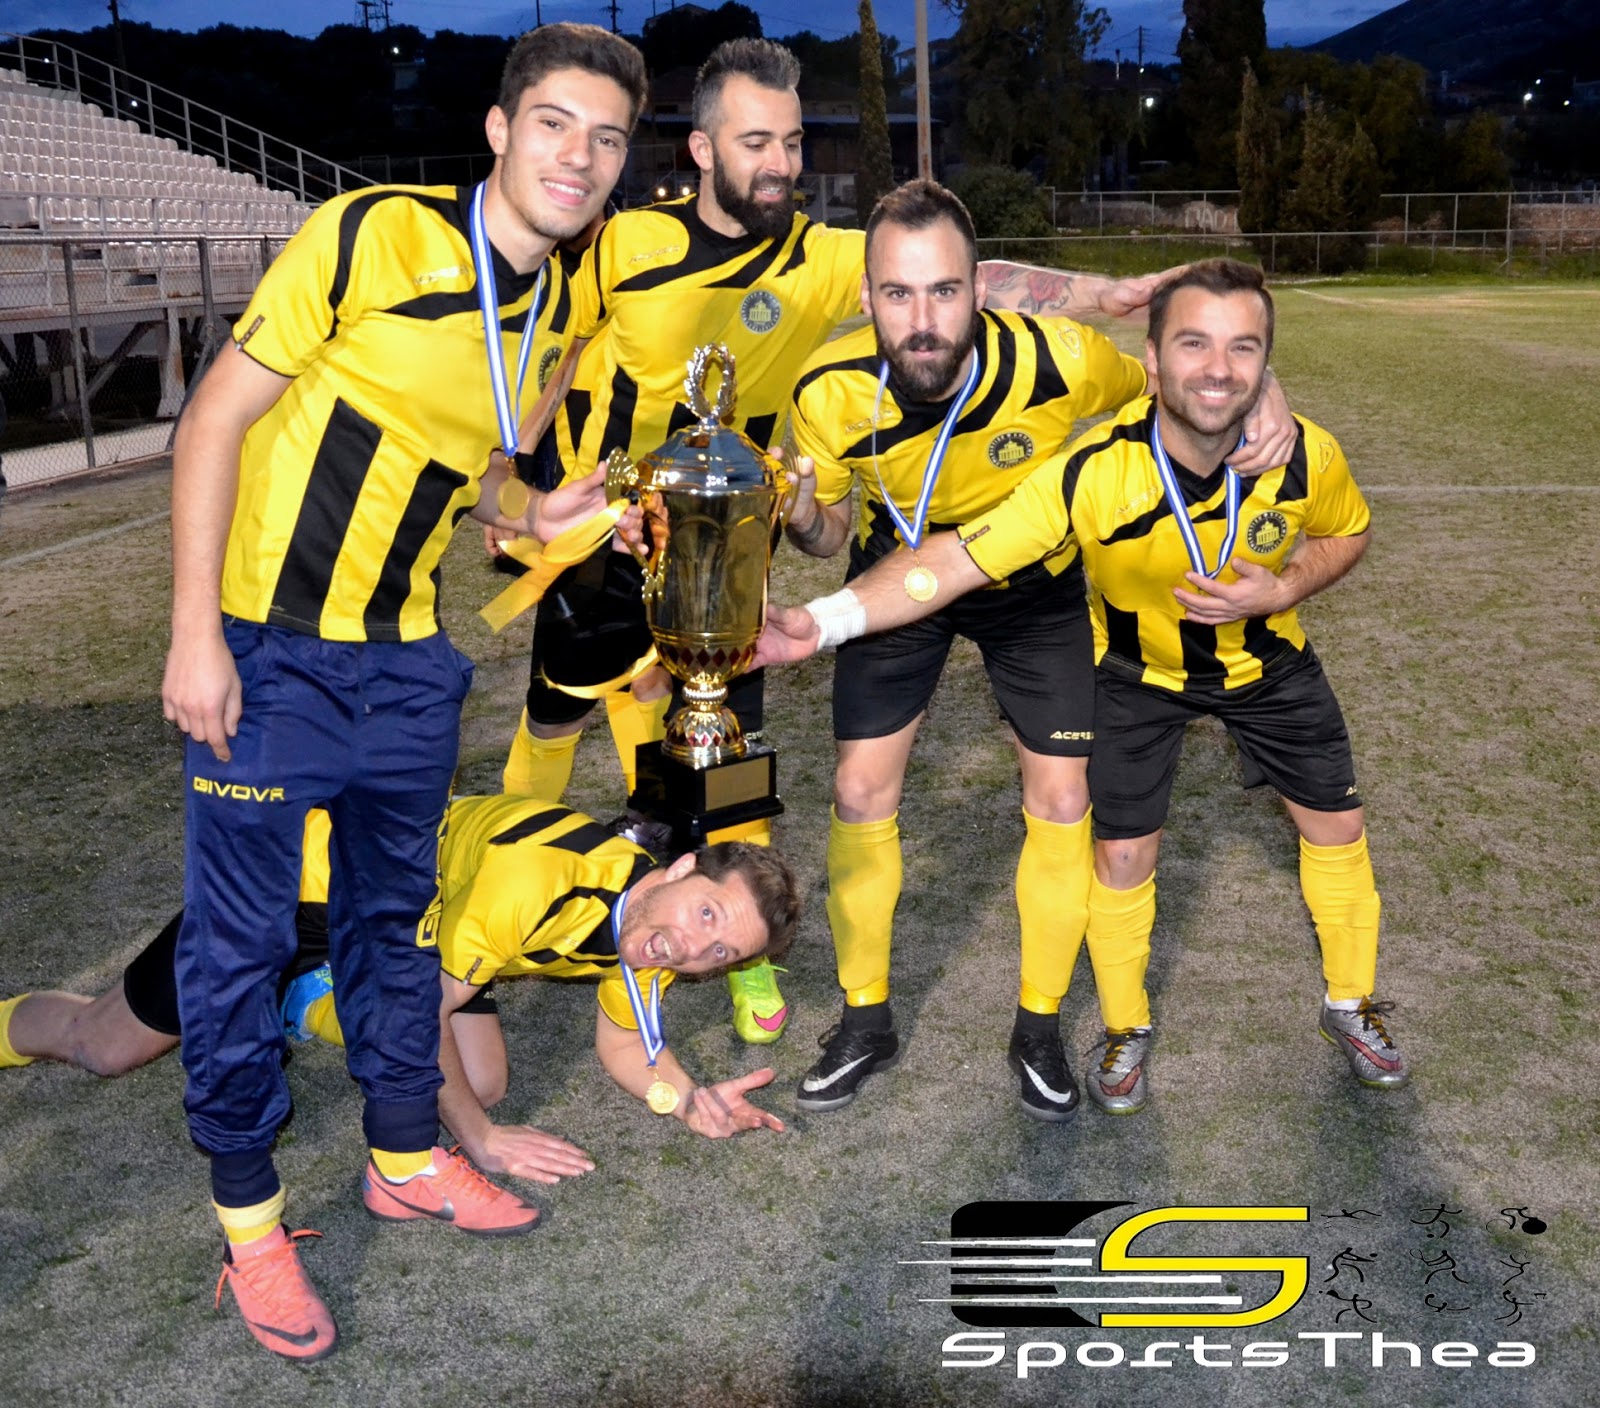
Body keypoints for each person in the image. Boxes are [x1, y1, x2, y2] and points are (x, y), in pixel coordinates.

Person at [498, 37, 1211, 1047]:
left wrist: (1102, 295)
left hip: (721, 548)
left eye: (792, 142)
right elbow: (552, 357)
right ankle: (505, 899)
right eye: (756, 142)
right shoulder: (621, 245)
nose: (781, 163)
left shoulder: (825, 257)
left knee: (726, 750)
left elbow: (971, 277)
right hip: (598, 537)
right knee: (555, 719)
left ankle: (740, 949)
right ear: (701, 149)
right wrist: (516, 486)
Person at [155, 24, 648, 1362]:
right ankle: (252, 1225)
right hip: (271, 650)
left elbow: (475, 474)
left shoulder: (558, 302)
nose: (579, 156)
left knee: (395, 929)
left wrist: (538, 508)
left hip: (409, 660)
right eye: (554, 123)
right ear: (499, 129)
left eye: (606, 137)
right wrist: (196, 637)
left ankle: (405, 1156)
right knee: (242, 949)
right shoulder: (372, 233)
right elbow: (213, 420)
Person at [755, 258, 1407, 1114]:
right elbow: (954, 559)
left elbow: (1347, 531)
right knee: (1117, 854)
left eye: (1244, 349)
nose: (1218, 368)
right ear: (1153, 358)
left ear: (1266, 362)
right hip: (1132, 675)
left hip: (1269, 666)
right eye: (1195, 345)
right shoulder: (1091, 472)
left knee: (1337, 828)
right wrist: (823, 621)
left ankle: (1348, 1004)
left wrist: (1283, 587)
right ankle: (1118, 1026)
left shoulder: (1304, 453)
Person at [0, 800, 800, 1174]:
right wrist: (482, 1142)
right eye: (706, 914)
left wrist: (686, 1100)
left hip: (421, 925)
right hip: (307, 886)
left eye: (719, 951)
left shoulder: (650, 932)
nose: (692, 948)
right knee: (102, 1046)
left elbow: (626, 1041)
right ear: (681, 868)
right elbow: (419, 1019)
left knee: (480, 1080)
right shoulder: (541, 884)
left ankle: (310, 999)